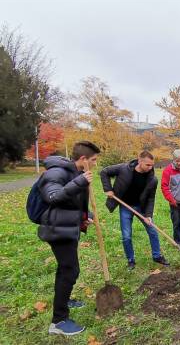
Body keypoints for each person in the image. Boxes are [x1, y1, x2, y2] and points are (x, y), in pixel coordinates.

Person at [38, 141, 100, 336]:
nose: (95, 164)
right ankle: (58, 321)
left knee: (65, 269)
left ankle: (65, 300)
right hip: (57, 229)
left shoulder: (74, 172)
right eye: (93, 160)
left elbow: (71, 201)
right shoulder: (56, 173)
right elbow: (54, 197)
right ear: (83, 159)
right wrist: (80, 182)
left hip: (66, 226)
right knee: (70, 270)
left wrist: (84, 215)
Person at [100, 151, 169, 270]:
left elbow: (151, 198)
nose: (150, 167)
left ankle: (157, 256)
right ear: (139, 161)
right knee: (126, 236)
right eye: (148, 164)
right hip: (125, 206)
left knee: (152, 230)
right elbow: (104, 172)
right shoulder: (123, 169)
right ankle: (131, 260)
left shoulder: (152, 179)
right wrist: (108, 189)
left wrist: (148, 215)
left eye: (152, 165)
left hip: (141, 207)